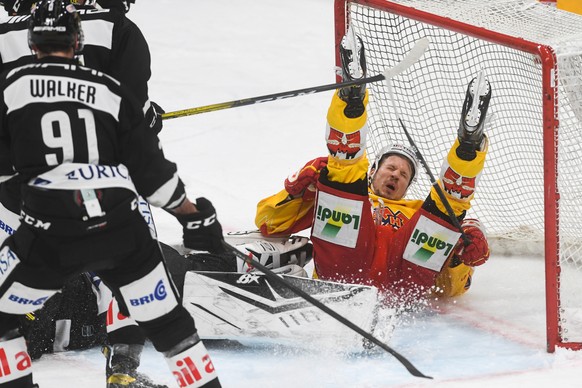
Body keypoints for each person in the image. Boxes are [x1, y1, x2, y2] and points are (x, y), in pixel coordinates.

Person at [0, 1, 223, 387]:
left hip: (42, 225)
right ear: (78, 40)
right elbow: (149, 170)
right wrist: (193, 215)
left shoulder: (11, 85)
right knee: (171, 326)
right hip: (117, 222)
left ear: (34, 42)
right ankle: (123, 370)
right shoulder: (109, 81)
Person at [254, 32, 491, 304]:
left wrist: (461, 260)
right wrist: (295, 193)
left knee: (445, 209)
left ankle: (468, 147)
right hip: (342, 274)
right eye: (390, 167)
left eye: (404, 174)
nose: (395, 175)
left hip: (402, 284)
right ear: (374, 171)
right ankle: (351, 100)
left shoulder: (415, 212)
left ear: (407, 187)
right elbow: (267, 222)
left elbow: (450, 289)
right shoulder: (344, 196)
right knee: (343, 172)